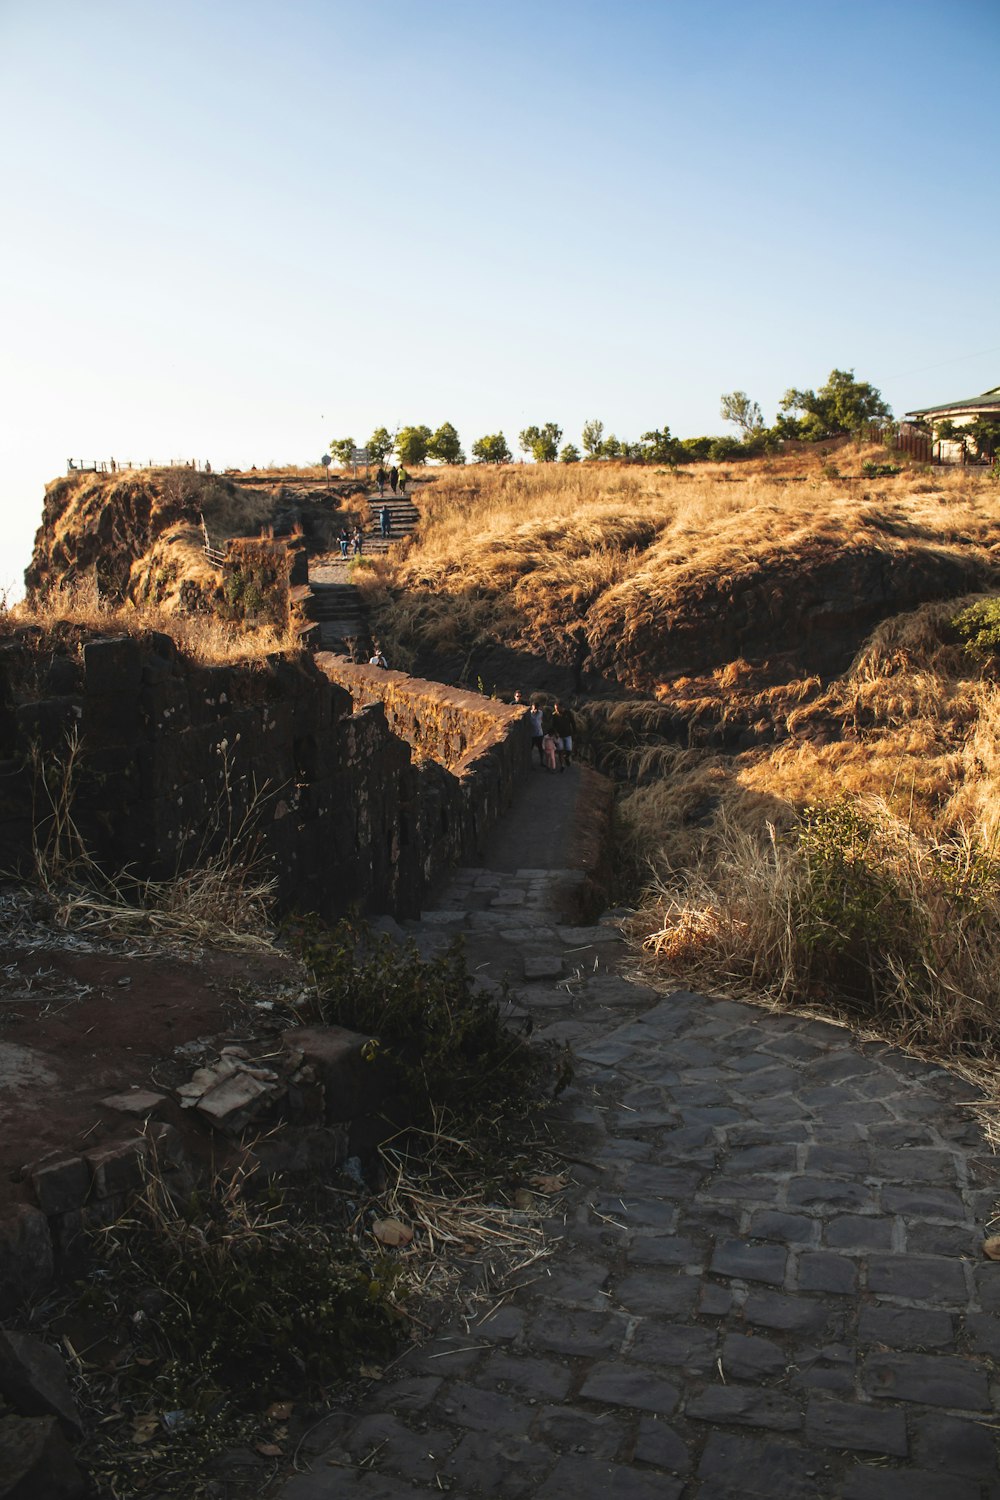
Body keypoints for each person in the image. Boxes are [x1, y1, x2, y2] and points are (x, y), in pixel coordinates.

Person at [551, 701, 576, 769]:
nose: (556, 710)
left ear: (561, 707)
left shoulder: (568, 713)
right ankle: (562, 765)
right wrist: (555, 733)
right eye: (555, 708)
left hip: (568, 734)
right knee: (560, 750)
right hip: (559, 736)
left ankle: (566, 757)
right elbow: (553, 726)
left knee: (569, 749)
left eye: (557, 708)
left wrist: (574, 732)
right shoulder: (554, 715)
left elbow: (573, 723)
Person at [529, 702, 545, 767]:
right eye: (534, 707)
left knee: (540, 748)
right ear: (532, 707)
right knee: (530, 749)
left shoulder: (541, 713)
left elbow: (541, 720)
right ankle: (530, 763)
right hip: (532, 734)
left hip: (539, 733)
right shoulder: (529, 714)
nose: (536, 709)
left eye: (537, 708)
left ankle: (542, 762)